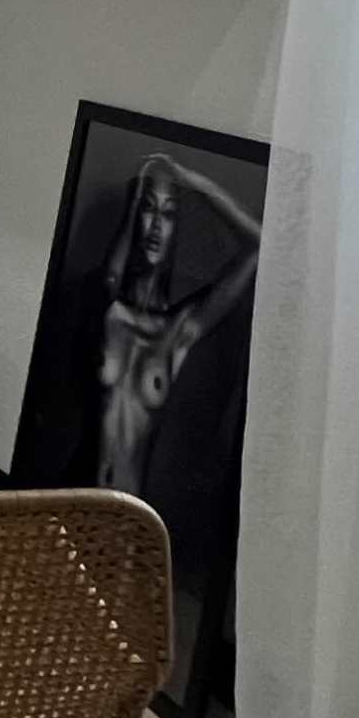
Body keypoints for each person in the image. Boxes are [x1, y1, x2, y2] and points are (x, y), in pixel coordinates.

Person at [94, 153, 261, 495]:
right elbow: (113, 274)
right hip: (78, 502)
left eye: (168, 214)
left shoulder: (179, 332)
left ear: (176, 229)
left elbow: (257, 244)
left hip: (130, 518)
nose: (157, 225)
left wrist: (194, 183)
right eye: (149, 209)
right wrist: (138, 199)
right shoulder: (110, 313)